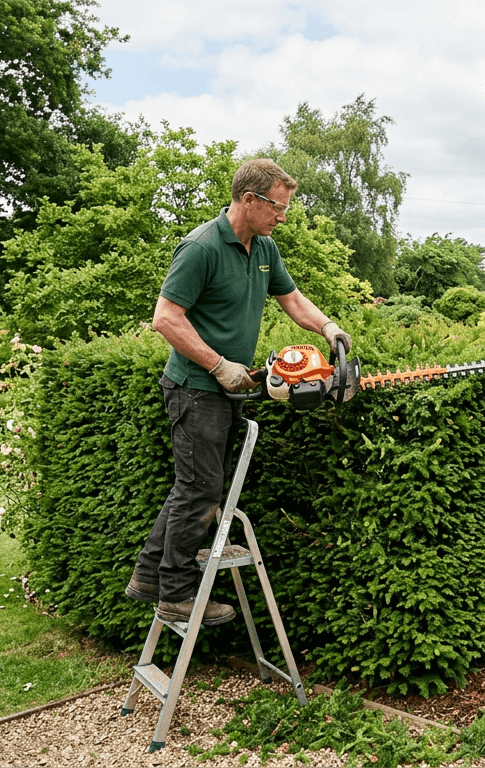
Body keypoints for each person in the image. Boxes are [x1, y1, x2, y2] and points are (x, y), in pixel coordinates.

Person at [124, 159, 352, 626]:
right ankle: (177, 594)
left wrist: (327, 326)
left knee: (193, 486)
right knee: (200, 491)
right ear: (249, 200)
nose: (283, 217)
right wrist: (218, 365)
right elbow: (165, 318)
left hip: (223, 391)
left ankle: (148, 575)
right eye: (278, 207)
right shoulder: (202, 246)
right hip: (194, 388)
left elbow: (291, 299)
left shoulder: (264, 247)